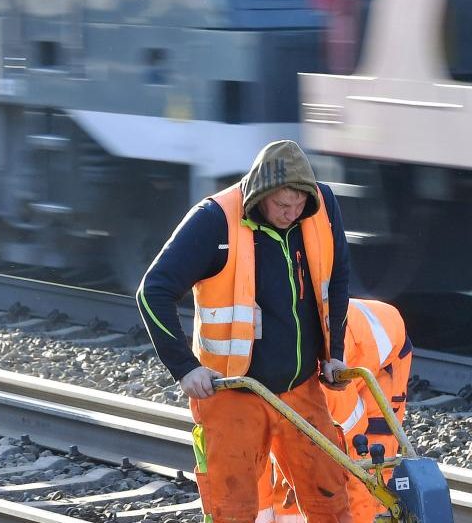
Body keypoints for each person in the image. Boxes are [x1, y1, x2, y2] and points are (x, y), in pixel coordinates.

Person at [136, 139, 354, 522]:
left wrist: (334, 352)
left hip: (300, 389)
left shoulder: (322, 207)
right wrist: (185, 368)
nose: (291, 213)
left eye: (298, 204)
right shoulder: (214, 219)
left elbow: (337, 280)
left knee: (331, 500)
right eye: (281, 205)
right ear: (260, 196)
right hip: (234, 393)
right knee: (231, 510)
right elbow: (152, 291)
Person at [258, 298, 412, 523]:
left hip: (386, 357)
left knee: (370, 460)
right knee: (295, 458)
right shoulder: (254, 380)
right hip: (341, 343)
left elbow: (351, 462)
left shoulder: (328, 389)